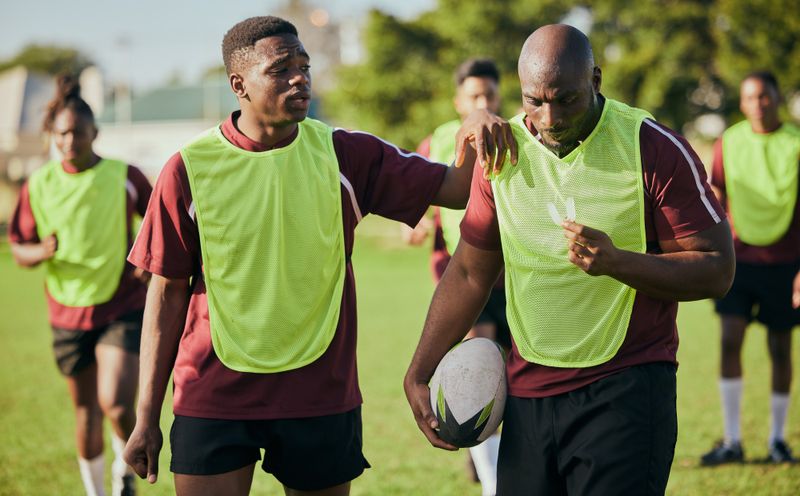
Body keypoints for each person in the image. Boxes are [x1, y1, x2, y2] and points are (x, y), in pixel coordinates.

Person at [121, 16, 513, 496]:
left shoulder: (344, 155)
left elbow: (454, 188)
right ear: (238, 84)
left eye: (305, 66)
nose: (300, 77)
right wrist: (146, 416)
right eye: (282, 68)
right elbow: (165, 294)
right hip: (213, 394)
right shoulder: (187, 170)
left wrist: (474, 126)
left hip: (319, 395)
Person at [404, 24, 735, 495]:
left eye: (566, 99)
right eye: (533, 100)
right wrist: (420, 370)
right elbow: (469, 272)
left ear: (596, 80)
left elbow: (717, 268)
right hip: (528, 395)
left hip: (626, 389)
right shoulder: (503, 151)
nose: (549, 117)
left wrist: (619, 262)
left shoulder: (652, 147)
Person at [9, 75, 152, 496]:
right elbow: (19, 248)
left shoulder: (125, 176)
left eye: (78, 132)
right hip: (67, 310)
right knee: (87, 411)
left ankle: (123, 474)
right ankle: (96, 492)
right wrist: (42, 251)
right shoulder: (39, 184)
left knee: (118, 403)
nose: (70, 140)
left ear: (95, 133)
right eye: (62, 133)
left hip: (122, 302)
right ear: (53, 136)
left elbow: (159, 222)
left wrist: (148, 260)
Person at [407, 58, 508, 496]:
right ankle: (492, 483)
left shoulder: (514, 131)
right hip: (463, 270)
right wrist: (419, 222)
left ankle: (486, 445)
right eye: (474, 96)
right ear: (457, 100)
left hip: (514, 272)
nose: (482, 102)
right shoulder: (437, 141)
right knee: (480, 355)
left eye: (489, 94)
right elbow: (429, 194)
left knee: (507, 365)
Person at [701, 71, 800, 466]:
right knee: (729, 341)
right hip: (739, 261)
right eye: (750, 98)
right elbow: (717, 200)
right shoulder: (729, 142)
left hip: (786, 262)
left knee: (780, 348)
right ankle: (732, 440)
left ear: (776, 98)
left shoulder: (795, 142)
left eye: (764, 96)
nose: (758, 104)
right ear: (741, 103)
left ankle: (778, 440)